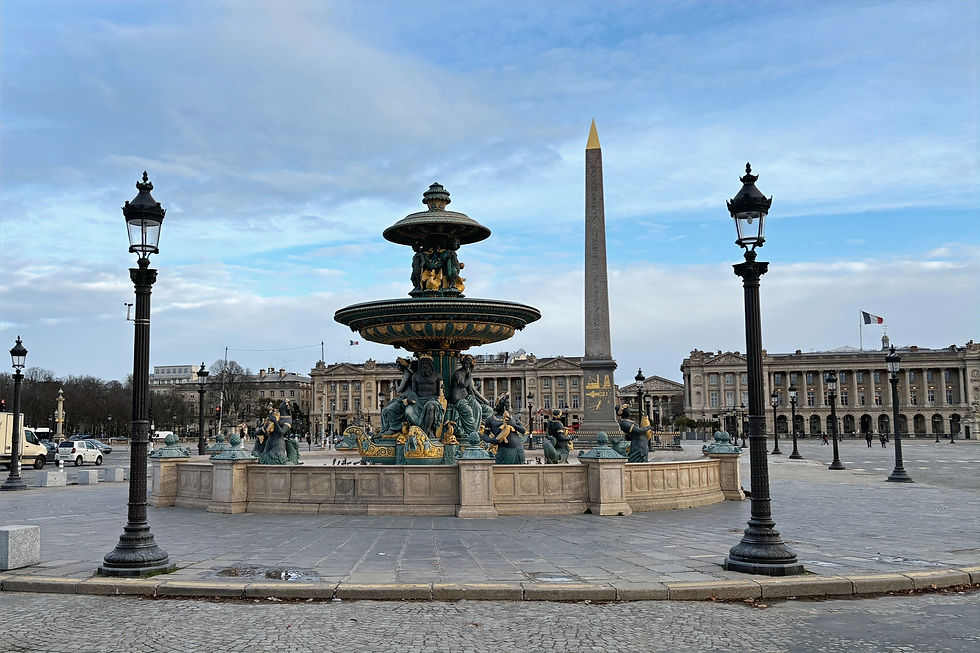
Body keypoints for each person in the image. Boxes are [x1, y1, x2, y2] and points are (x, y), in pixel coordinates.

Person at [448, 355, 491, 440]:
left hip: (467, 398)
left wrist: (485, 400)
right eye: (465, 363)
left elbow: (472, 390)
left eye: (468, 364)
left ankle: (477, 430)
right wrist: (469, 376)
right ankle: (471, 434)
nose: (466, 365)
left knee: (486, 410)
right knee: (469, 411)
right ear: (462, 363)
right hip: (458, 400)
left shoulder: (468, 374)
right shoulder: (458, 373)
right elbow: (464, 384)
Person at [482, 394, 526, 464]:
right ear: (500, 405)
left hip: (518, 449)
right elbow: (484, 435)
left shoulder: (514, 418)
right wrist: (491, 440)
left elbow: (523, 430)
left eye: (508, 403)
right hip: (504, 450)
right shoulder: (491, 419)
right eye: (506, 404)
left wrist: (513, 425)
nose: (508, 405)